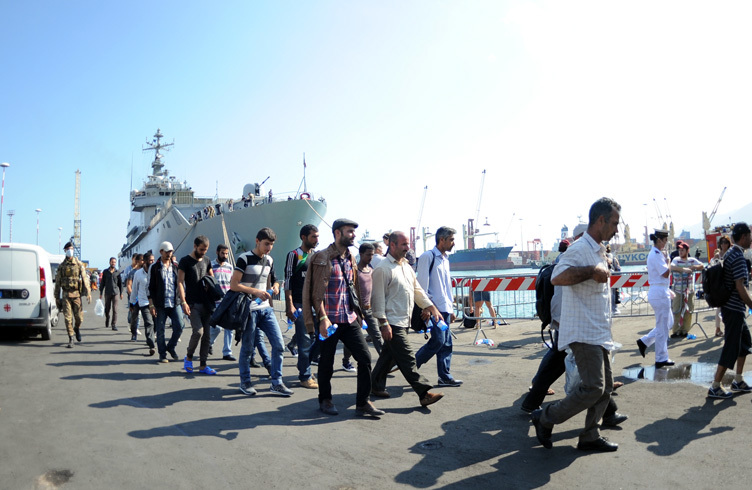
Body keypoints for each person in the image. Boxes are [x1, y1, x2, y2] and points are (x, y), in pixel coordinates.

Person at [530, 197, 622, 452]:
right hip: (583, 331)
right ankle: (546, 417)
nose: (616, 229)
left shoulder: (598, 249)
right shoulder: (580, 249)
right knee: (593, 388)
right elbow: (558, 277)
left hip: (598, 330)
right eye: (614, 223)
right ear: (601, 220)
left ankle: (590, 436)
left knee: (604, 390)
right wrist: (592, 271)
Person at [302, 219, 383, 417]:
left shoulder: (351, 258)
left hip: (349, 318)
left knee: (365, 358)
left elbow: (352, 287)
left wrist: (359, 314)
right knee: (326, 363)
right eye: (350, 232)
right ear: (338, 233)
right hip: (329, 320)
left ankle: (363, 402)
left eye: (354, 232)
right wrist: (321, 318)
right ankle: (325, 399)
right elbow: (315, 293)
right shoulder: (322, 257)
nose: (354, 235)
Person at [371, 231, 445, 409]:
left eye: (408, 244)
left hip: (404, 320)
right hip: (391, 322)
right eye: (404, 244)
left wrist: (431, 307)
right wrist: (383, 324)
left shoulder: (406, 266)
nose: (407, 248)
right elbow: (378, 299)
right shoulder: (382, 268)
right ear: (393, 245)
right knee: (407, 358)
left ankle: (375, 385)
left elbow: (417, 290)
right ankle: (424, 392)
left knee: (388, 357)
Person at [233, 227, 293, 397]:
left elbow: (274, 280)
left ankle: (277, 383)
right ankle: (245, 382)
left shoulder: (269, 260)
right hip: (249, 310)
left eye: (272, 245)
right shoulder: (243, 258)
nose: (269, 248)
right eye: (266, 244)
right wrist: (256, 292)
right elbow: (234, 284)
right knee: (247, 348)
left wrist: (274, 287)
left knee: (279, 345)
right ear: (257, 241)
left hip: (265, 310)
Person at [707, 222, 752, 398]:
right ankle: (715, 385)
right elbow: (740, 286)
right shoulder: (739, 257)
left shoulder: (732, 253)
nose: (751, 239)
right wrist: (751, 305)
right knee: (731, 347)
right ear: (743, 237)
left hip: (732, 308)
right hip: (734, 309)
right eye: (749, 235)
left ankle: (738, 380)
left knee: (745, 343)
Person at [415, 226, 462, 387]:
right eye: (451, 240)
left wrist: (452, 309)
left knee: (446, 343)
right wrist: (427, 307)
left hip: (445, 308)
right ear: (441, 240)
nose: (453, 243)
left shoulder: (445, 259)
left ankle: (444, 376)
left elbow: (447, 287)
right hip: (433, 307)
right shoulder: (428, 257)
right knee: (438, 341)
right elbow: (421, 285)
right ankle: (411, 366)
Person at [636, 229, 686, 368]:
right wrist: (669, 261)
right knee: (663, 327)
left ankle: (645, 341)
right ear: (659, 240)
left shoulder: (656, 253)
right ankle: (661, 358)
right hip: (659, 292)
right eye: (664, 241)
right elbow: (665, 273)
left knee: (667, 323)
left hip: (660, 290)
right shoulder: (656, 254)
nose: (665, 243)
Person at [284, 224, 320, 389]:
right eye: (313, 236)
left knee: (317, 338)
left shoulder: (316, 256)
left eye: (317, 236)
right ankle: (305, 376)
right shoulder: (294, 255)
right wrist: (289, 304)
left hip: (315, 304)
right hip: (299, 303)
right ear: (303, 237)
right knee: (305, 340)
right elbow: (288, 281)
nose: (317, 240)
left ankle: (303, 365)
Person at [179, 235, 217, 375]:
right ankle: (188, 358)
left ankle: (203, 365)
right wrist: (183, 301)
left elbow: (212, 278)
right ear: (195, 246)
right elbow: (180, 282)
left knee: (207, 335)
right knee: (198, 332)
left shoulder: (206, 260)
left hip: (206, 303)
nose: (203, 252)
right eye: (201, 249)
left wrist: (212, 286)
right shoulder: (185, 261)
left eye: (206, 250)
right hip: (192, 303)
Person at [147, 241, 185, 363]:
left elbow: (181, 284)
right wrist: (151, 304)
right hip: (160, 304)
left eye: (171, 252)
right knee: (160, 329)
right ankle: (162, 354)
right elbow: (150, 287)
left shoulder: (176, 266)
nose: (169, 254)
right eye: (167, 251)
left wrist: (184, 301)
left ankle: (171, 347)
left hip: (175, 302)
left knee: (180, 325)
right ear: (161, 252)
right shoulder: (154, 267)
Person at [54, 242, 91, 347]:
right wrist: (56, 297)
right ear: (65, 251)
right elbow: (58, 282)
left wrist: (88, 292)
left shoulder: (79, 264)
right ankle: (71, 337)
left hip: (76, 294)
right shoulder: (61, 266)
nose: (70, 251)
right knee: (67, 318)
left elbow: (85, 278)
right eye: (68, 249)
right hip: (66, 294)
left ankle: (77, 328)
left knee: (79, 318)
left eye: (72, 249)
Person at [669, 241, 704, 338]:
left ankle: (685, 330)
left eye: (682, 250)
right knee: (677, 309)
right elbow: (671, 266)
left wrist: (693, 267)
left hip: (689, 290)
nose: (680, 252)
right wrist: (684, 270)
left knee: (688, 310)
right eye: (679, 250)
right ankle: (676, 331)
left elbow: (702, 265)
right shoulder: (676, 259)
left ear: (687, 251)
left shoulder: (692, 260)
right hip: (678, 289)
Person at [209, 244, 237, 361]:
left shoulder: (230, 267)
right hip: (214, 301)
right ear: (217, 252)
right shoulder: (210, 265)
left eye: (226, 253)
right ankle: (209, 343)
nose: (225, 256)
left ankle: (227, 352)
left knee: (229, 327)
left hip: (227, 300)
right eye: (222, 253)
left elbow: (233, 282)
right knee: (216, 327)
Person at [356, 242, 383, 355]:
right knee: (354, 338)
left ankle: (384, 363)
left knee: (376, 335)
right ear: (361, 254)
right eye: (368, 254)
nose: (370, 257)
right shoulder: (355, 271)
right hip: (356, 310)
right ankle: (346, 360)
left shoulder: (371, 271)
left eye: (372, 254)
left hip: (369, 310)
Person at [130, 252, 156, 356]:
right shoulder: (138, 274)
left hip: (155, 302)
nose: (153, 262)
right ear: (144, 261)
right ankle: (151, 345)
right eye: (150, 260)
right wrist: (132, 302)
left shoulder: (156, 271)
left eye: (153, 260)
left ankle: (151, 337)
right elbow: (134, 289)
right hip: (144, 302)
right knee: (148, 322)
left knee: (155, 322)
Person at [712, 236, 732, 337]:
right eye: (722, 242)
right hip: (720, 284)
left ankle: (726, 328)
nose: (724, 244)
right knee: (719, 308)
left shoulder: (731, 253)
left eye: (725, 242)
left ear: (729, 243)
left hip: (729, 283)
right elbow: (711, 267)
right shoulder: (717, 255)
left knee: (728, 308)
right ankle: (718, 328)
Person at [99, 257, 122, 331]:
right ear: (109, 262)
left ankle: (113, 324)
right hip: (107, 293)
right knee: (107, 309)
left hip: (115, 293)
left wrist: (121, 293)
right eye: (112, 262)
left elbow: (120, 284)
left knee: (115, 309)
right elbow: (102, 283)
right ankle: (107, 318)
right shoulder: (105, 272)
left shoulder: (117, 272)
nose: (113, 263)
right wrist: (101, 293)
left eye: (115, 262)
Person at [126, 254, 143, 340]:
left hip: (144, 298)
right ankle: (134, 333)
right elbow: (129, 285)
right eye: (142, 260)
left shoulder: (146, 271)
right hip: (135, 298)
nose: (144, 262)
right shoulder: (132, 272)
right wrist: (133, 296)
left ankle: (149, 336)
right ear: (137, 261)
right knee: (134, 316)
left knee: (146, 317)